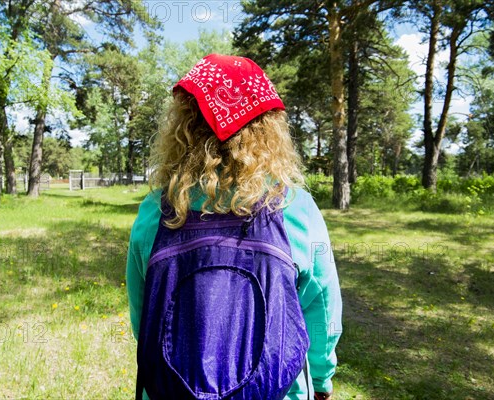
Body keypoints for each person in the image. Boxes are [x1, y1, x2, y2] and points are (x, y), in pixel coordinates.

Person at [126, 53, 342, 400]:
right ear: (268, 127)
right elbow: (322, 307)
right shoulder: (295, 208)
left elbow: (144, 318)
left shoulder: (155, 213)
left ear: (183, 125)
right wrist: (321, 378)